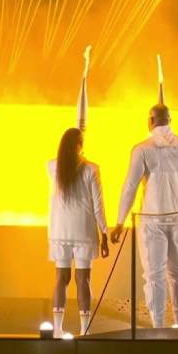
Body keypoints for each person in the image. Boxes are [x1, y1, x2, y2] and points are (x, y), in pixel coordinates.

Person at [111, 104, 178, 328]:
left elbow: (130, 186)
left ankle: (158, 325)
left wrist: (120, 221)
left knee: (154, 275)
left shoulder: (142, 149)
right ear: (170, 119)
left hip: (153, 220)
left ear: (150, 120)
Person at [48, 128, 109, 337]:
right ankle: (84, 329)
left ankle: (57, 328)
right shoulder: (92, 169)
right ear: (80, 145)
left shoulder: (52, 166)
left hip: (60, 229)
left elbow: (64, 160)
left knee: (60, 278)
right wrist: (104, 232)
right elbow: (98, 205)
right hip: (83, 230)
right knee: (83, 279)